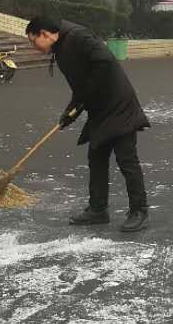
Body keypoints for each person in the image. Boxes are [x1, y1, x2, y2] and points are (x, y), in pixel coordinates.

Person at [25, 15, 150, 233]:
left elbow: (104, 63)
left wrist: (85, 97)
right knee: (97, 157)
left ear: (45, 34)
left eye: (33, 41)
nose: (34, 47)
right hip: (99, 109)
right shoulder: (60, 49)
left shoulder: (79, 37)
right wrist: (70, 112)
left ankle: (139, 211)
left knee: (126, 159)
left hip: (118, 105)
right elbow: (80, 87)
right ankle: (98, 209)